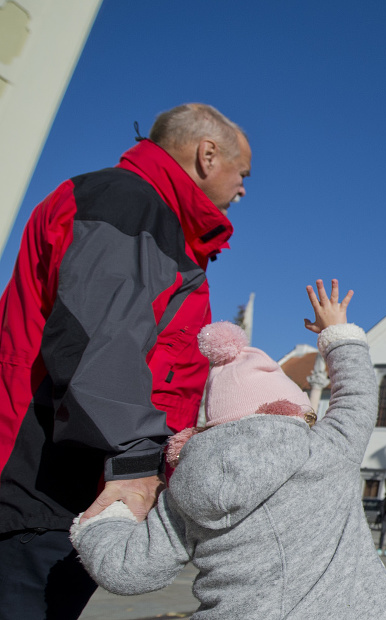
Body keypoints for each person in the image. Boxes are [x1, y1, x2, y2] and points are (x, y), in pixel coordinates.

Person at [0, 103, 250, 619]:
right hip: (47, 487)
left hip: (70, 483)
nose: (243, 189)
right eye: (241, 173)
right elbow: (101, 343)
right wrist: (136, 466)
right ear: (207, 155)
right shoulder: (130, 203)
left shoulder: (153, 217)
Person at [70, 279, 386, 619]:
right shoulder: (328, 448)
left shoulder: (188, 488)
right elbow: (358, 396)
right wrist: (337, 333)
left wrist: (105, 521)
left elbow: (128, 571)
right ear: (293, 408)